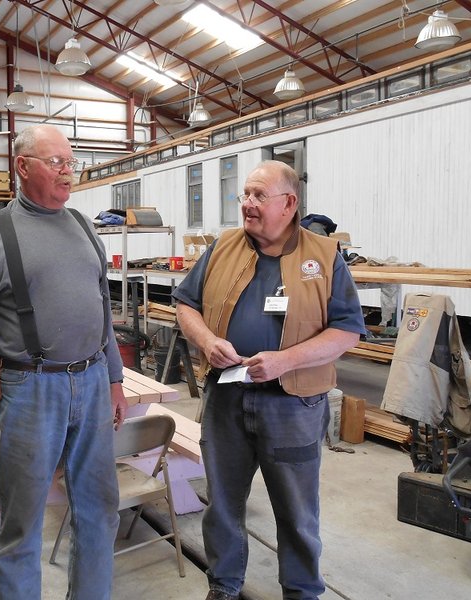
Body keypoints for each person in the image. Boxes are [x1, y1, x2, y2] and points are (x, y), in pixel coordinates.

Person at [0, 124, 127, 600]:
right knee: (21, 523)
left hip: (90, 384)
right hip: (31, 391)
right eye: (56, 163)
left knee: (98, 510)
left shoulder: (85, 226)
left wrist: (114, 379)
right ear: (23, 167)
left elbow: (103, 313)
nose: (69, 172)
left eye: (72, 162)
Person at [173, 160, 366, 600]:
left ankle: (301, 591)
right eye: (245, 194)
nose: (247, 204)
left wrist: (285, 361)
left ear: (289, 203)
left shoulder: (324, 255)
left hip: (292, 404)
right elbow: (185, 304)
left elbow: (347, 331)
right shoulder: (223, 247)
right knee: (222, 503)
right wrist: (206, 340)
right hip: (226, 398)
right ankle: (223, 585)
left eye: (259, 196)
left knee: (296, 510)